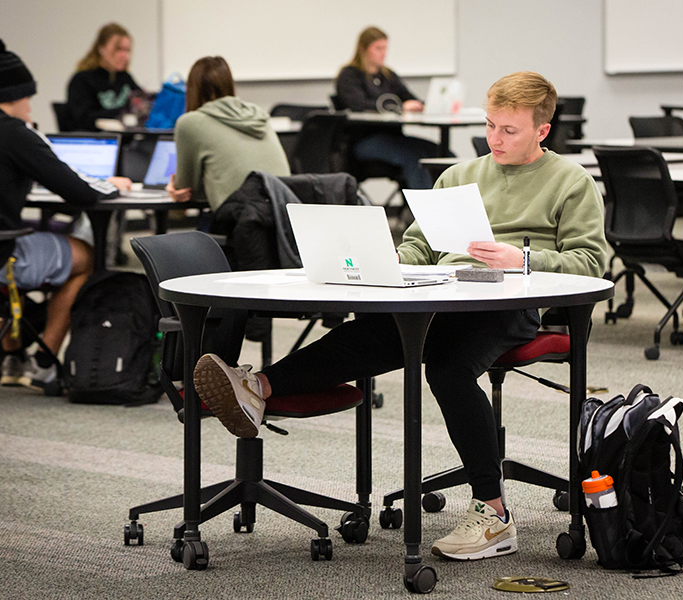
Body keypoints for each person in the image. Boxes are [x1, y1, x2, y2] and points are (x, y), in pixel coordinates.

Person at [191, 71, 607, 561]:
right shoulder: (459, 176)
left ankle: (494, 514)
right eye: (490, 126)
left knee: (448, 370)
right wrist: (385, 263)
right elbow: (417, 244)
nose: (494, 139)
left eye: (508, 131)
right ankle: (257, 388)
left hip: (512, 302)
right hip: (443, 293)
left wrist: (522, 259)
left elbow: (590, 263)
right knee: (372, 333)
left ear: (542, 130)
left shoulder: (570, 181)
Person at [0, 38, 131, 389]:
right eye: (29, 96)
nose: (30, 105)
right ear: (19, 94)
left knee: (11, 242)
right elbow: (79, 191)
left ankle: (11, 359)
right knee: (84, 256)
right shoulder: (16, 134)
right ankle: (45, 360)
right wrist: (113, 184)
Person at [165, 56, 290, 212]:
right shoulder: (257, 114)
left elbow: (185, 190)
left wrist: (174, 190)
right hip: (283, 218)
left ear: (192, 89)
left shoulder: (190, 122)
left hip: (241, 222)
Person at [335, 26, 441, 189]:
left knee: (441, 153)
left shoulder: (388, 75)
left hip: (394, 138)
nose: (383, 53)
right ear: (363, 49)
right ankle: (423, 207)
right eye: (378, 48)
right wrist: (399, 107)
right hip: (364, 141)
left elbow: (408, 97)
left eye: (385, 48)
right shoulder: (349, 75)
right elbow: (358, 105)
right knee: (414, 157)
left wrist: (424, 105)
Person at [66, 23, 142, 131]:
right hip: (96, 140)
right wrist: (121, 113)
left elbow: (141, 102)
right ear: (101, 49)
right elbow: (83, 119)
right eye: (118, 49)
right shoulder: (82, 80)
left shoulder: (125, 78)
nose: (124, 56)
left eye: (127, 50)